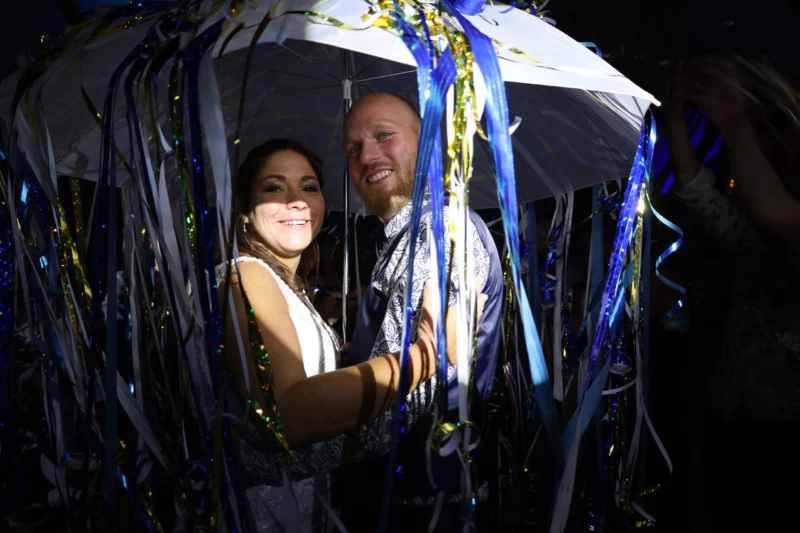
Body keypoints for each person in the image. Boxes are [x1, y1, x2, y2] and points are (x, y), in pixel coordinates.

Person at [216, 138, 485, 532]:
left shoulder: (286, 285)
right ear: (242, 208)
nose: (297, 201)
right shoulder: (245, 275)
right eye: (274, 187)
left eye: (309, 187)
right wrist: (430, 352)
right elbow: (288, 416)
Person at [337, 93, 504, 530]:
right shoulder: (404, 236)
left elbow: (395, 406)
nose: (367, 155)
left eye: (383, 136)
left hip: (422, 506)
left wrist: (286, 444)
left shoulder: (435, 235)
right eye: (353, 149)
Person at [663, 58, 800, 532]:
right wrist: (676, 112)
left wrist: (735, 117)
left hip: (785, 432)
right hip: (732, 411)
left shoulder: (781, 235)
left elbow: (776, 210)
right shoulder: (757, 239)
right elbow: (695, 189)